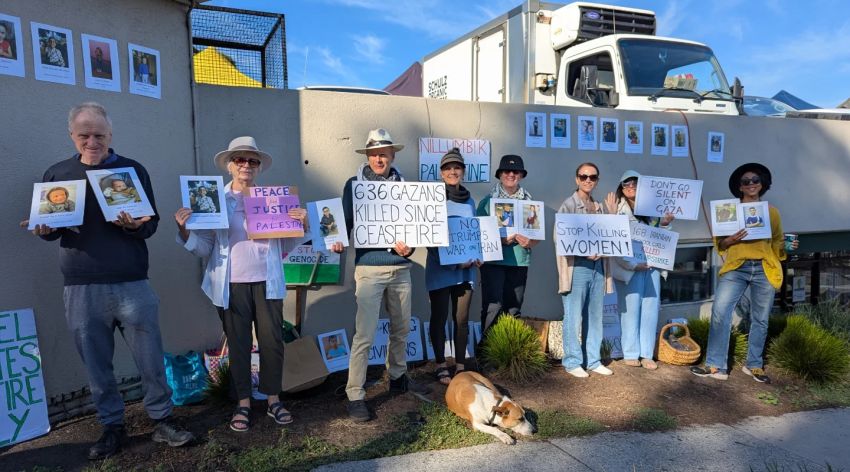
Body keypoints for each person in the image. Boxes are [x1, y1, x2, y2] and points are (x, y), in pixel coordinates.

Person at [26, 102, 193, 460]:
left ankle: (162, 419)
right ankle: (112, 427)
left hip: (132, 282)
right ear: (72, 135)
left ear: (110, 135)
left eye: (99, 135)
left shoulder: (131, 170)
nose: (92, 141)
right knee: (97, 364)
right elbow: (51, 232)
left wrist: (136, 226)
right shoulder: (57, 174)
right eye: (84, 135)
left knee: (150, 358)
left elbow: (150, 224)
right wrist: (42, 230)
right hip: (81, 285)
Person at [175, 136, 303, 432]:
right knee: (239, 344)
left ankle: (273, 399)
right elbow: (205, 248)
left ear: (259, 167)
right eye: (240, 159)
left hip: (267, 282)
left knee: (272, 343)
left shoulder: (273, 200)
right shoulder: (215, 200)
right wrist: (184, 231)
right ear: (230, 165)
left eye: (252, 160)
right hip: (230, 284)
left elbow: (287, 245)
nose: (246, 165)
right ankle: (243, 403)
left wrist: (300, 224)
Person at [338, 128, 432, 422]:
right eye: (375, 153)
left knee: (401, 328)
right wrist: (336, 237)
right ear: (368, 156)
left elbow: (415, 227)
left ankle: (398, 375)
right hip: (368, 268)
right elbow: (344, 223)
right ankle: (355, 393)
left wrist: (410, 247)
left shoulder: (405, 187)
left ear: (393, 155)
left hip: (401, 269)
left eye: (385, 153)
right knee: (364, 334)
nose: (380, 158)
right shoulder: (355, 185)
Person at [691, 163, 797, 383]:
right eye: (745, 181)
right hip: (736, 267)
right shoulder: (728, 210)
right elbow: (720, 242)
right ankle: (715, 365)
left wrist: (787, 248)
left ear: (762, 184)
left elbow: (777, 242)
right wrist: (730, 240)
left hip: (764, 267)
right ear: (739, 187)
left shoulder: (771, 212)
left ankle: (754, 365)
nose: (751, 184)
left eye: (755, 180)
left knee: (761, 318)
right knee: (720, 312)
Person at [556, 162, 616, 378]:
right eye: (583, 176)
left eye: (592, 177)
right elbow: (560, 237)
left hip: (598, 268)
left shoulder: (599, 207)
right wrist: (584, 252)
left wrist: (613, 216)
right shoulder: (569, 205)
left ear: (597, 180)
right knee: (573, 316)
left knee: (595, 315)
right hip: (577, 268)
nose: (588, 180)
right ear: (576, 179)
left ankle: (593, 360)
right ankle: (572, 361)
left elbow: (611, 236)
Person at [610, 171, 674, 370]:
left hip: (652, 266)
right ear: (621, 188)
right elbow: (613, 241)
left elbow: (663, 238)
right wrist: (631, 265)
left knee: (650, 308)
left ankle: (647, 353)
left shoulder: (653, 209)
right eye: (626, 185)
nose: (630, 187)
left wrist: (665, 224)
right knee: (630, 309)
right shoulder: (617, 210)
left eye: (635, 184)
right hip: (631, 267)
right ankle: (630, 352)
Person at [426, 148, 480, 385]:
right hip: (440, 269)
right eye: (448, 168)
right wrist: (450, 261)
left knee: (462, 320)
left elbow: (475, 234)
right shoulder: (431, 199)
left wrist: (478, 255)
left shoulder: (470, 201)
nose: (452, 172)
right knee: (439, 318)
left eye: (457, 167)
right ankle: (440, 364)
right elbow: (428, 237)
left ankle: (460, 365)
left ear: (463, 171)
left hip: (466, 270)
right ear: (441, 173)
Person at [476, 155, 539, 335]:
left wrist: (530, 242)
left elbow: (536, 237)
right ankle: (488, 358)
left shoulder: (529, 203)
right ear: (500, 175)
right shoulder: (487, 202)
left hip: (519, 263)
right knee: (492, 308)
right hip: (493, 263)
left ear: (521, 175)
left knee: (513, 310)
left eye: (516, 171)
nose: (511, 174)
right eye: (507, 171)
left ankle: (508, 356)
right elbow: (479, 235)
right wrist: (500, 240)